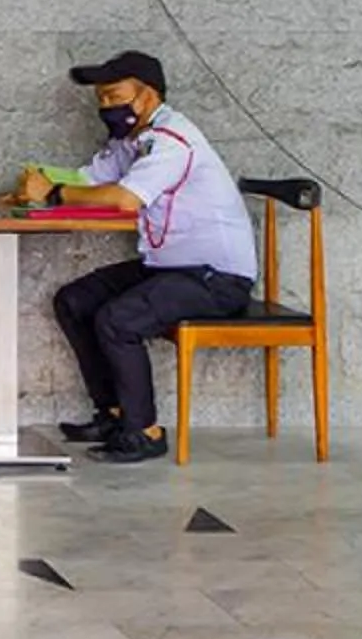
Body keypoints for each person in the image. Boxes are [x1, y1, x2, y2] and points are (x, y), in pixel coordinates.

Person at [14, 49, 258, 465]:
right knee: (75, 301)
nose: (106, 107)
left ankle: (144, 431)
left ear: (147, 96)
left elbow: (124, 199)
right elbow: (89, 179)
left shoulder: (171, 141)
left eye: (115, 96)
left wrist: (53, 194)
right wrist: (34, 180)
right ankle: (113, 414)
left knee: (118, 320)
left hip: (216, 279)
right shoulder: (132, 140)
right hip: (170, 268)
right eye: (101, 99)